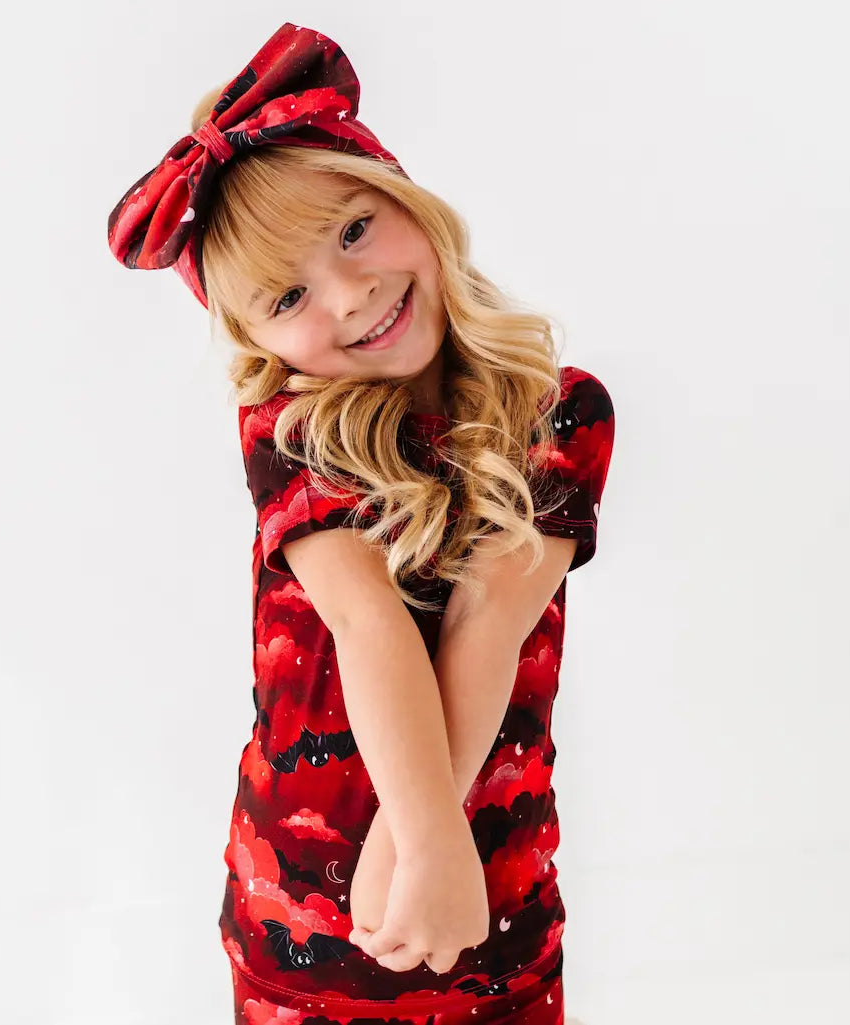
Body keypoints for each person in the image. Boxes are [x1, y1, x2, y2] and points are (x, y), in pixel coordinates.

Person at [107, 21, 615, 1025]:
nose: (350, 293)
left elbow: (487, 620)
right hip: (304, 904)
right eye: (289, 294)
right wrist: (414, 845)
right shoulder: (293, 428)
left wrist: (422, 845)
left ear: (400, 194)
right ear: (254, 337)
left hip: (486, 888)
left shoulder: (559, 409)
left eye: (353, 229)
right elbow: (365, 616)